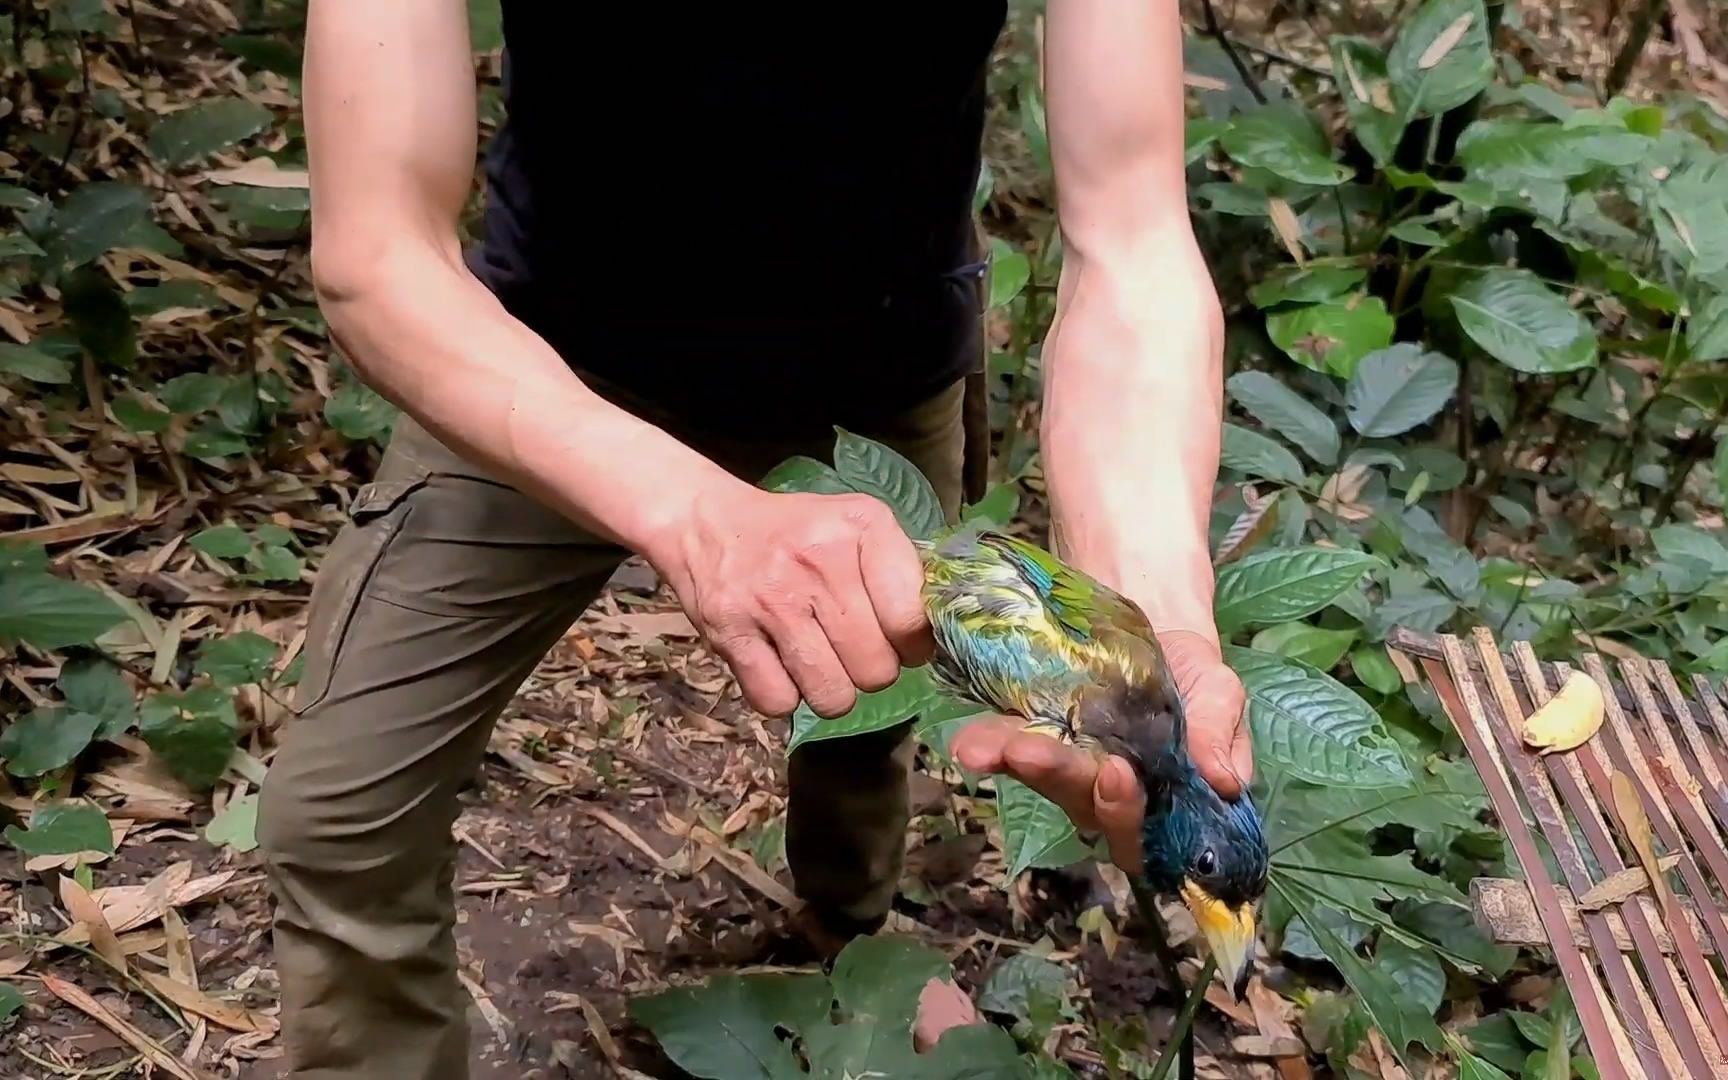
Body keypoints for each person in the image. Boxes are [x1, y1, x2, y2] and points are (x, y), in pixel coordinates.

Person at [257, 2, 1253, 1076]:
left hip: (877, 371)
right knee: (342, 814)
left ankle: (853, 926)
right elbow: (377, 249)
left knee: (863, 723)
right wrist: (693, 514)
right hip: (537, 366)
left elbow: (1133, 239)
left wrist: (1153, 636)